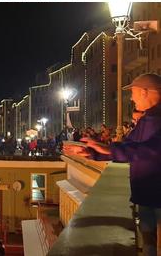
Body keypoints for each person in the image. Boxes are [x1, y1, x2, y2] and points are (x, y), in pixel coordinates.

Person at [64, 73, 161, 256]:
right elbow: (126, 147)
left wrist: (109, 149)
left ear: (146, 92)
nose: (131, 98)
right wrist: (91, 153)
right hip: (146, 196)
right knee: (148, 243)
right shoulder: (146, 120)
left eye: (134, 92)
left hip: (157, 197)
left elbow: (153, 150)